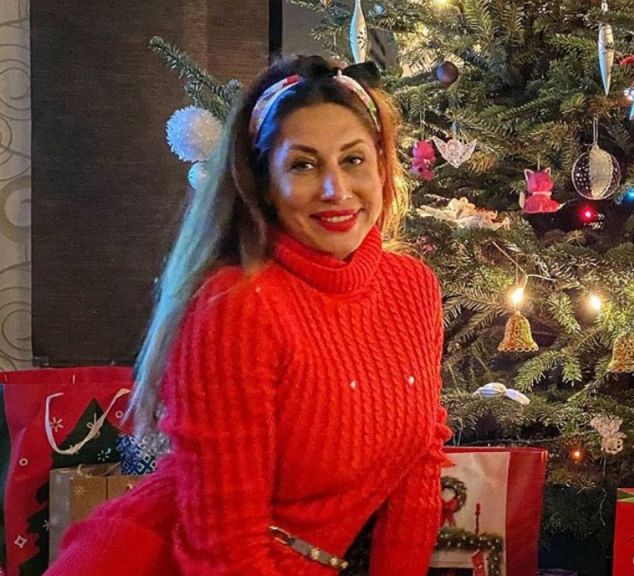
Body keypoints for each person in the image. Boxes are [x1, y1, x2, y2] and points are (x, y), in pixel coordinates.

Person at [46, 55, 451, 575]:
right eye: (303, 165)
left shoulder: (411, 286)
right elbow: (225, 551)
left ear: (381, 165)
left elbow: (419, 463)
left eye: (352, 159)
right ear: (264, 186)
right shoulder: (238, 304)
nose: (336, 190)